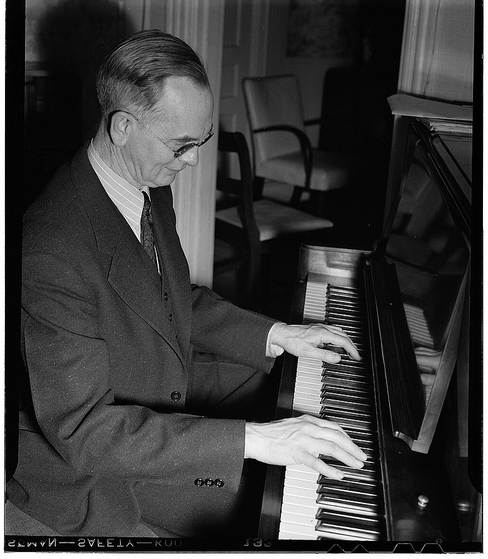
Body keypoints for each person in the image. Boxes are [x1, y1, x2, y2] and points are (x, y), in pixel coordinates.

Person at [8, 30, 367, 538]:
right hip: (94, 468)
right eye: (183, 146)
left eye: (201, 142)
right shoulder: (49, 250)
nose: (195, 160)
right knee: (280, 495)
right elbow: (84, 432)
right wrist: (256, 440)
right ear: (123, 127)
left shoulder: (144, 180)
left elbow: (174, 297)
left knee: (288, 390)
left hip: (157, 385)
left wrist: (279, 334)